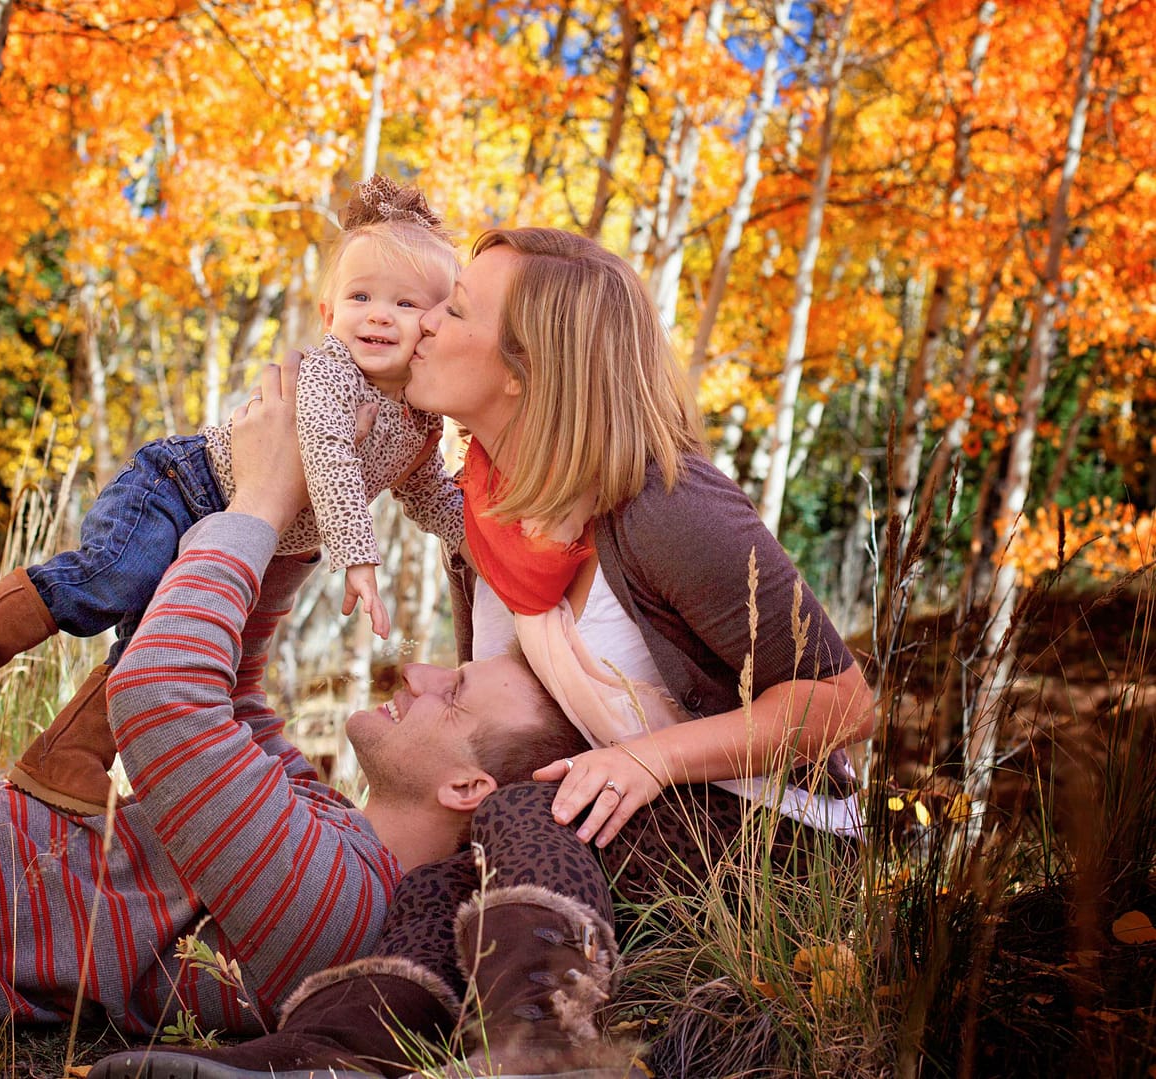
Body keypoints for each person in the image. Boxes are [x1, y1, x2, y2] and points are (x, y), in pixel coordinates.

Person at [88, 228, 876, 1078]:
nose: (422, 322)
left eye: (455, 308)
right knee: (432, 884)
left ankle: (545, 1056)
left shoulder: (666, 507)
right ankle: (319, 1058)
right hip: (604, 822)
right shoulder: (478, 520)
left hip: (766, 838)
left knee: (517, 816)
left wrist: (650, 759)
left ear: (523, 369)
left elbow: (842, 702)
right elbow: (508, 738)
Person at [0, 355, 589, 1051]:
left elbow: (162, 698)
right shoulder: (325, 825)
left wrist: (259, 500)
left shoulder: (334, 907)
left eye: (453, 690)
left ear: (469, 786)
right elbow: (230, 686)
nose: (419, 672)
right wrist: (301, 513)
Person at [0, 175, 465, 817]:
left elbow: (428, 492)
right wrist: (356, 555)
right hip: (186, 488)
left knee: (157, 651)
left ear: (437, 329)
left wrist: (473, 532)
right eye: (361, 296)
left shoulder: (421, 422)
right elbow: (326, 452)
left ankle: (66, 759)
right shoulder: (331, 374)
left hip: (238, 535)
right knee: (117, 577)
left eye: (407, 304)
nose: (380, 314)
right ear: (330, 315)